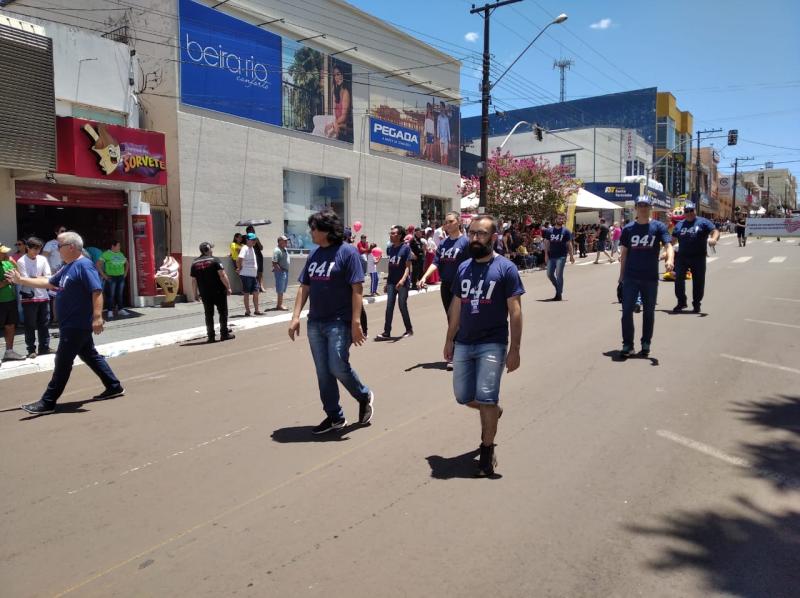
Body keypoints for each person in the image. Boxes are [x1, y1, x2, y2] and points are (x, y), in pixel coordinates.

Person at [7, 232, 124, 415]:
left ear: (71, 247)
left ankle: (48, 401)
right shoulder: (67, 267)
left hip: (77, 323)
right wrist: (21, 280)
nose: (56, 249)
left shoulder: (84, 266)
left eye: (58, 246)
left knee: (62, 361)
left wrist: (97, 317)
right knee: (89, 355)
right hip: (70, 323)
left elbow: (97, 290)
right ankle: (113, 385)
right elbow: (48, 282)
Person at [443, 215, 524, 477]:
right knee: (464, 397)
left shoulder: (506, 268)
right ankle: (493, 410)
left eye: (481, 234)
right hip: (465, 341)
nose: (475, 238)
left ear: (494, 237)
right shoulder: (464, 267)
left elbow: (515, 310)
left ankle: (486, 450)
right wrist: (449, 338)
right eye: (472, 233)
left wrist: (515, 349)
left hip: (493, 342)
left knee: (487, 397)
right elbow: (457, 305)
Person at [288, 210, 373, 434]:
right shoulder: (314, 254)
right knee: (323, 371)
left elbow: (357, 289)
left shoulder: (347, 253)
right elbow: (304, 287)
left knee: (337, 365)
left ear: (326, 230)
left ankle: (364, 396)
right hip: (315, 322)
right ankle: (335, 416)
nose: (311, 232)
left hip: (339, 321)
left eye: (314, 228)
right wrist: (295, 316)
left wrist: (356, 323)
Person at [617, 197, 674, 358]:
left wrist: (670, 259)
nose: (643, 208)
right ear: (636, 207)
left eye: (646, 205)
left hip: (650, 278)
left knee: (649, 312)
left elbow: (668, 246)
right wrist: (621, 277)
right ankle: (627, 344)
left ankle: (646, 342)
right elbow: (625, 253)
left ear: (651, 207)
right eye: (640, 205)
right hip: (631, 277)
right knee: (626, 312)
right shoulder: (628, 229)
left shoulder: (658, 227)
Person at [420, 211, 470, 369]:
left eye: (450, 221)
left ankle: (461, 353)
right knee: (451, 319)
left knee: (461, 320)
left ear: (458, 222)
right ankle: (456, 353)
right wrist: (424, 277)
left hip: (462, 286)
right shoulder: (443, 243)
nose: (446, 225)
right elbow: (436, 262)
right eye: (445, 222)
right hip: (446, 285)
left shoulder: (466, 242)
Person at [671, 202, 719, 314]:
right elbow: (672, 241)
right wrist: (667, 251)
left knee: (698, 281)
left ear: (695, 211)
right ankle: (681, 302)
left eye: (691, 211)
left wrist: (714, 239)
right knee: (678, 280)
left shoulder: (703, 222)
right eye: (686, 211)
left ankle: (696, 303)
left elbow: (715, 231)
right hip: (682, 257)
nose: (689, 213)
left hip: (698, 257)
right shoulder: (679, 225)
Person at [190, 241, 234, 343]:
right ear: (208, 250)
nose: (212, 250)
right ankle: (224, 334)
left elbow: (193, 280)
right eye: (211, 249)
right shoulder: (215, 260)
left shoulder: (195, 263)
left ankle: (211, 336)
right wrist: (228, 287)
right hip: (218, 291)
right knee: (223, 312)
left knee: (208, 314)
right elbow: (222, 275)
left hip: (205, 293)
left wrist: (195, 294)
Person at [376, 225, 413, 340]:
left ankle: (409, 329)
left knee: (402, 306)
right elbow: (390, 266)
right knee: (389, 307)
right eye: (390, 233)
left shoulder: (406, 248)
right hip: (392, 282)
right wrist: (387, 282)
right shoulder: (391, 248)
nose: (391, 235)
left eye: (393, 233)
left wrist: (402, 280)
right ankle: (387, 332)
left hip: (402, 283)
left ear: (400, 235)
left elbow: (408, 267)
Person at [16, 237, 51, 359]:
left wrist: (34, 278)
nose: (37, 252)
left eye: (39, 249)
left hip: (43, 296)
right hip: (29, 297)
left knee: (44, 323)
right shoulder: (21, 261)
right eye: (34, 249)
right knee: (30, 325)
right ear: (28, 248)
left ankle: (44, 347)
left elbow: (48, 277)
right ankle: (31, 349)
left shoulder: (43, 259)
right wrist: (40, 278)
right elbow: (26, 281)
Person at [1, 243, 25, 362]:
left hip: (10, 300)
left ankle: (9, 352)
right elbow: (5, 282)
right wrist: (6, 282)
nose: (6, 254)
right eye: (3, 252)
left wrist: (14, 264)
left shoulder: (7, 262)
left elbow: (18, 275)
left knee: (10, 325)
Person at [544, 213, 575, 301]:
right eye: (559, 218)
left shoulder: (566, 231)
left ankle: (558, 295)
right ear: (556, 220)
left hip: (561, 256)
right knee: (549, 274)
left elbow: (569, 244)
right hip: (551, 256)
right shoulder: (549, 231)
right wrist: (546, 254)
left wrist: (571, 256)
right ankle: (558, 289)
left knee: (558, 275)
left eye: (562, 219)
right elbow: (546, 243)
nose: (561, 220)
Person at [97, 240, 129, 319]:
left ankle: (121, 309)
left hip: (120, 277)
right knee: (111, 295)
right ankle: (110, 311)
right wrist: (104, 275)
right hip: (111, 277)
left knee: (120, 294)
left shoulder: (120, 254)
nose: (119, 247)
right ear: (113, 246)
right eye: (118, 246)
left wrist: (125, 273)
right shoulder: (106, 254)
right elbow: (98, 264)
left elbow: (127, 263)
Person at [42, 224, 66, 324]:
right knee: (56, 296)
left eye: (65, 231)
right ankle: (56, 318)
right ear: (56, 232)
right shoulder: (50, 244)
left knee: (66, 295)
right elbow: (44, 257)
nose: (64, 232)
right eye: (62, 231)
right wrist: (49, 269)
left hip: (66, 272)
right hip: (55, 273)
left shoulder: (68, 243)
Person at [323, 64, 351, 141]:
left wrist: (333, 124)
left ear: (343, 75)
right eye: (335, 75)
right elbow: (335, 115)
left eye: (338, 74)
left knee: (330, 133)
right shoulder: (336, 93)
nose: (337, 77)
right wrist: (333, 124)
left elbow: (344, 117)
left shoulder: (346, 92)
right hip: (337, 123)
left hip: (345, 126)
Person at [237, 233, 261, 315]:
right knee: (246, 293)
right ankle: (247, 311)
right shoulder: (245, 248)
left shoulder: (252, 248)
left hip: (253, 275)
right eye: (252, 240)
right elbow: (239, 259)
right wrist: (239, 268)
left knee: (256, 292)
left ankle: (257, 310)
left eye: (255, 240)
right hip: (246, 275)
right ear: (247, 240)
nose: (254, 241)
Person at [272, 234, 291, 311]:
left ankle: (280, 304)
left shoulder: (284, 249)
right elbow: (274, 262)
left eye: (287, 241)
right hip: (281, 272)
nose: (286, 242)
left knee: (282, 289)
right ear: (280, 242)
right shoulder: (277, 250)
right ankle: (279, 305)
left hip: (285, 271)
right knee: (280, 289)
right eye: (285, 241)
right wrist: (280, 270)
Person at [436, 101, 451, 165]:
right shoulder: (439, 117)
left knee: (446, 154)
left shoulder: (446, 118)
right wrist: (437, 136)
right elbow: (438, 127)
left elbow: (448, 129)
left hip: (446, 138)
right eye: (440, 107)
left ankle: (445, 166)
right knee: (441, 154)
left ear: (444, 108)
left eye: (441, 107)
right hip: (441, 138)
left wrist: (449, 140)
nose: (441, 108)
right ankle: (442, 166)